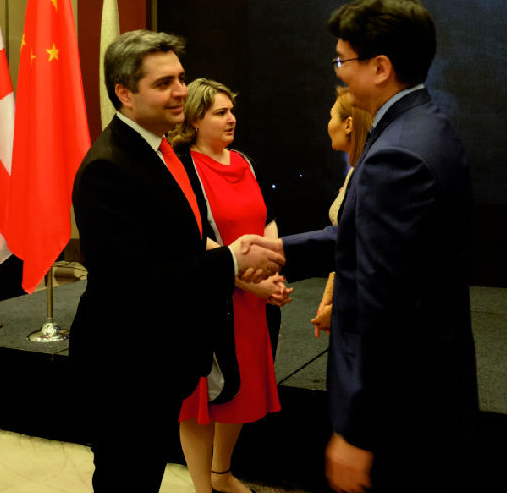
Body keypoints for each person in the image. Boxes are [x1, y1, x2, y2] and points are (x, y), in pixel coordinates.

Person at [69, 30, 285, 493]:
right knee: (127, 478)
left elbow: (179, 245)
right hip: (127, 363)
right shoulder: (109, 167)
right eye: (164, 83)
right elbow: (139, 281)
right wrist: (231, 261)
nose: (181, 91)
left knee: (144, 471)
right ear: (125, 93)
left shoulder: (161, 151)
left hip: (161, 357)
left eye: (182, 79)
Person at [282, 0, 478, 493]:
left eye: (342, 61)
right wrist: (282, 252)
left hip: (400, 414)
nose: (339, 73)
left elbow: (384, 305)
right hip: (427, 395)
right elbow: (369, 240)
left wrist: (355, 430)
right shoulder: (425, 127)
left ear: (381, 67)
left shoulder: (397, 156)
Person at [169, 78, 291, 493]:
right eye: (220, 112)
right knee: (200, 402)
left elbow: (268, 217)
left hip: (253, 299)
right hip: (211, 298)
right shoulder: (181, 166)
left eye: (231, 110)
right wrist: (247, 281)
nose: (231, 118)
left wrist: (272, 268)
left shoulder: (244, 161)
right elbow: (190, 238)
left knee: (240, 395)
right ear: (194, 119)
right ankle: (202, 488)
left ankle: (222, 474)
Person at [310, 87, 372, 338]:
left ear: (348, 124)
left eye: (331, 116)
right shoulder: (355, 171)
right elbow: (342, 248)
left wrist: (341, 309)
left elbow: (368, 255)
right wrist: (328, 299)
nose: (328, 125)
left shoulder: (370, 175)